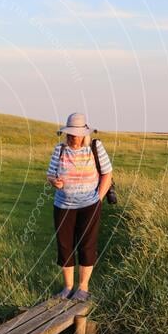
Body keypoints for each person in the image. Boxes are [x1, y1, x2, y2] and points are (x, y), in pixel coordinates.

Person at [46, 112, 113, 301]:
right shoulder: (59, 150)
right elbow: (50, 174)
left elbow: (107, 173)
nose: (73, 137)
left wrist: (98, 198)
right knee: (64, 246)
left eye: (76, 134)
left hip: (89, 206)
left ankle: (82, 288)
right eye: (70, 133)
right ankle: (67, 288)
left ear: (84, 133)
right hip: (63, 206)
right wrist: (54, 182)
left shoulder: (95, 147)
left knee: (86, 246)